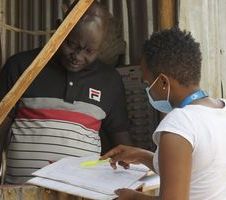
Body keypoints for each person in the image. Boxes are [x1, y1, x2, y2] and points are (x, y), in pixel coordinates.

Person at [101, 27, 226, 200]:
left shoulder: (179, 124)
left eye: (147, 83)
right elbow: (199, 168)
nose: (147, 89)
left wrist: (131, 197)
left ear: (163, 82)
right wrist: (140, 155)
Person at [0, 1, 131, 184]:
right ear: (59, 28)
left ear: (101, 47)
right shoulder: (21, 67)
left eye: (89, 51)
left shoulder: (110, 81)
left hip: (81, 195)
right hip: (21, 192)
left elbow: (122, 146)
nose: (77, 56)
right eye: (70, 44)